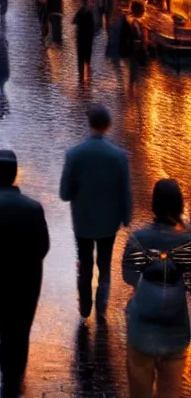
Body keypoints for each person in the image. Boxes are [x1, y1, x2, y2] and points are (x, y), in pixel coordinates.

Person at [0, 150, 50, 398]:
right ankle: (16, 377)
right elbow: (43, 247)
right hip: (28, 281)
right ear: (15, 174)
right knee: (22, 331)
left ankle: (7, 379)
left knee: (6, 329)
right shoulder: (34, 208)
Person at [60, 104, 132, 324]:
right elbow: (125, 191)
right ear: (108, 125)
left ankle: (84, 305)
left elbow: (64, 193)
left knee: (84, 261)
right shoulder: (119, 156)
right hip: (109, 222)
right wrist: (126, 216)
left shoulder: (74, 154)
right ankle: (102, 302)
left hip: (82, 221)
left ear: (90, 124)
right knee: (105, 261)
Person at [122, 179, 191, 398]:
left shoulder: (138, 238)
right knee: (170, 393)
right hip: (176, 329)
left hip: (142, 329)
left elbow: (128, 275)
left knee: (139, 393)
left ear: (155, 205)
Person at [73, 0, 95, 82]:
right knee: (82, 58)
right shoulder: (83, 12)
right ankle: (82, 77)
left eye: (92, 3)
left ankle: (84, 77)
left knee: (86, 59)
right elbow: (75, 20)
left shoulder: (89, 13)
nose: (91, 5)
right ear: (86, 4)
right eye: (90, 3)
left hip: (87, 39)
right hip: (82, 39)